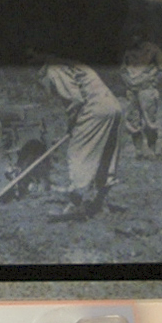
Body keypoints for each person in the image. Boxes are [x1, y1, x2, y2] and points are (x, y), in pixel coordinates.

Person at [37, 54, 125, 220]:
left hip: (94, 109)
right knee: (107, 155)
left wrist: (72, 125)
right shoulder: (70, 62)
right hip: (113, 106)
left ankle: (76, 205)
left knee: (78, 152)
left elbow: (75, 99)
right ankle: (101, 203)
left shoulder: (54, 67)